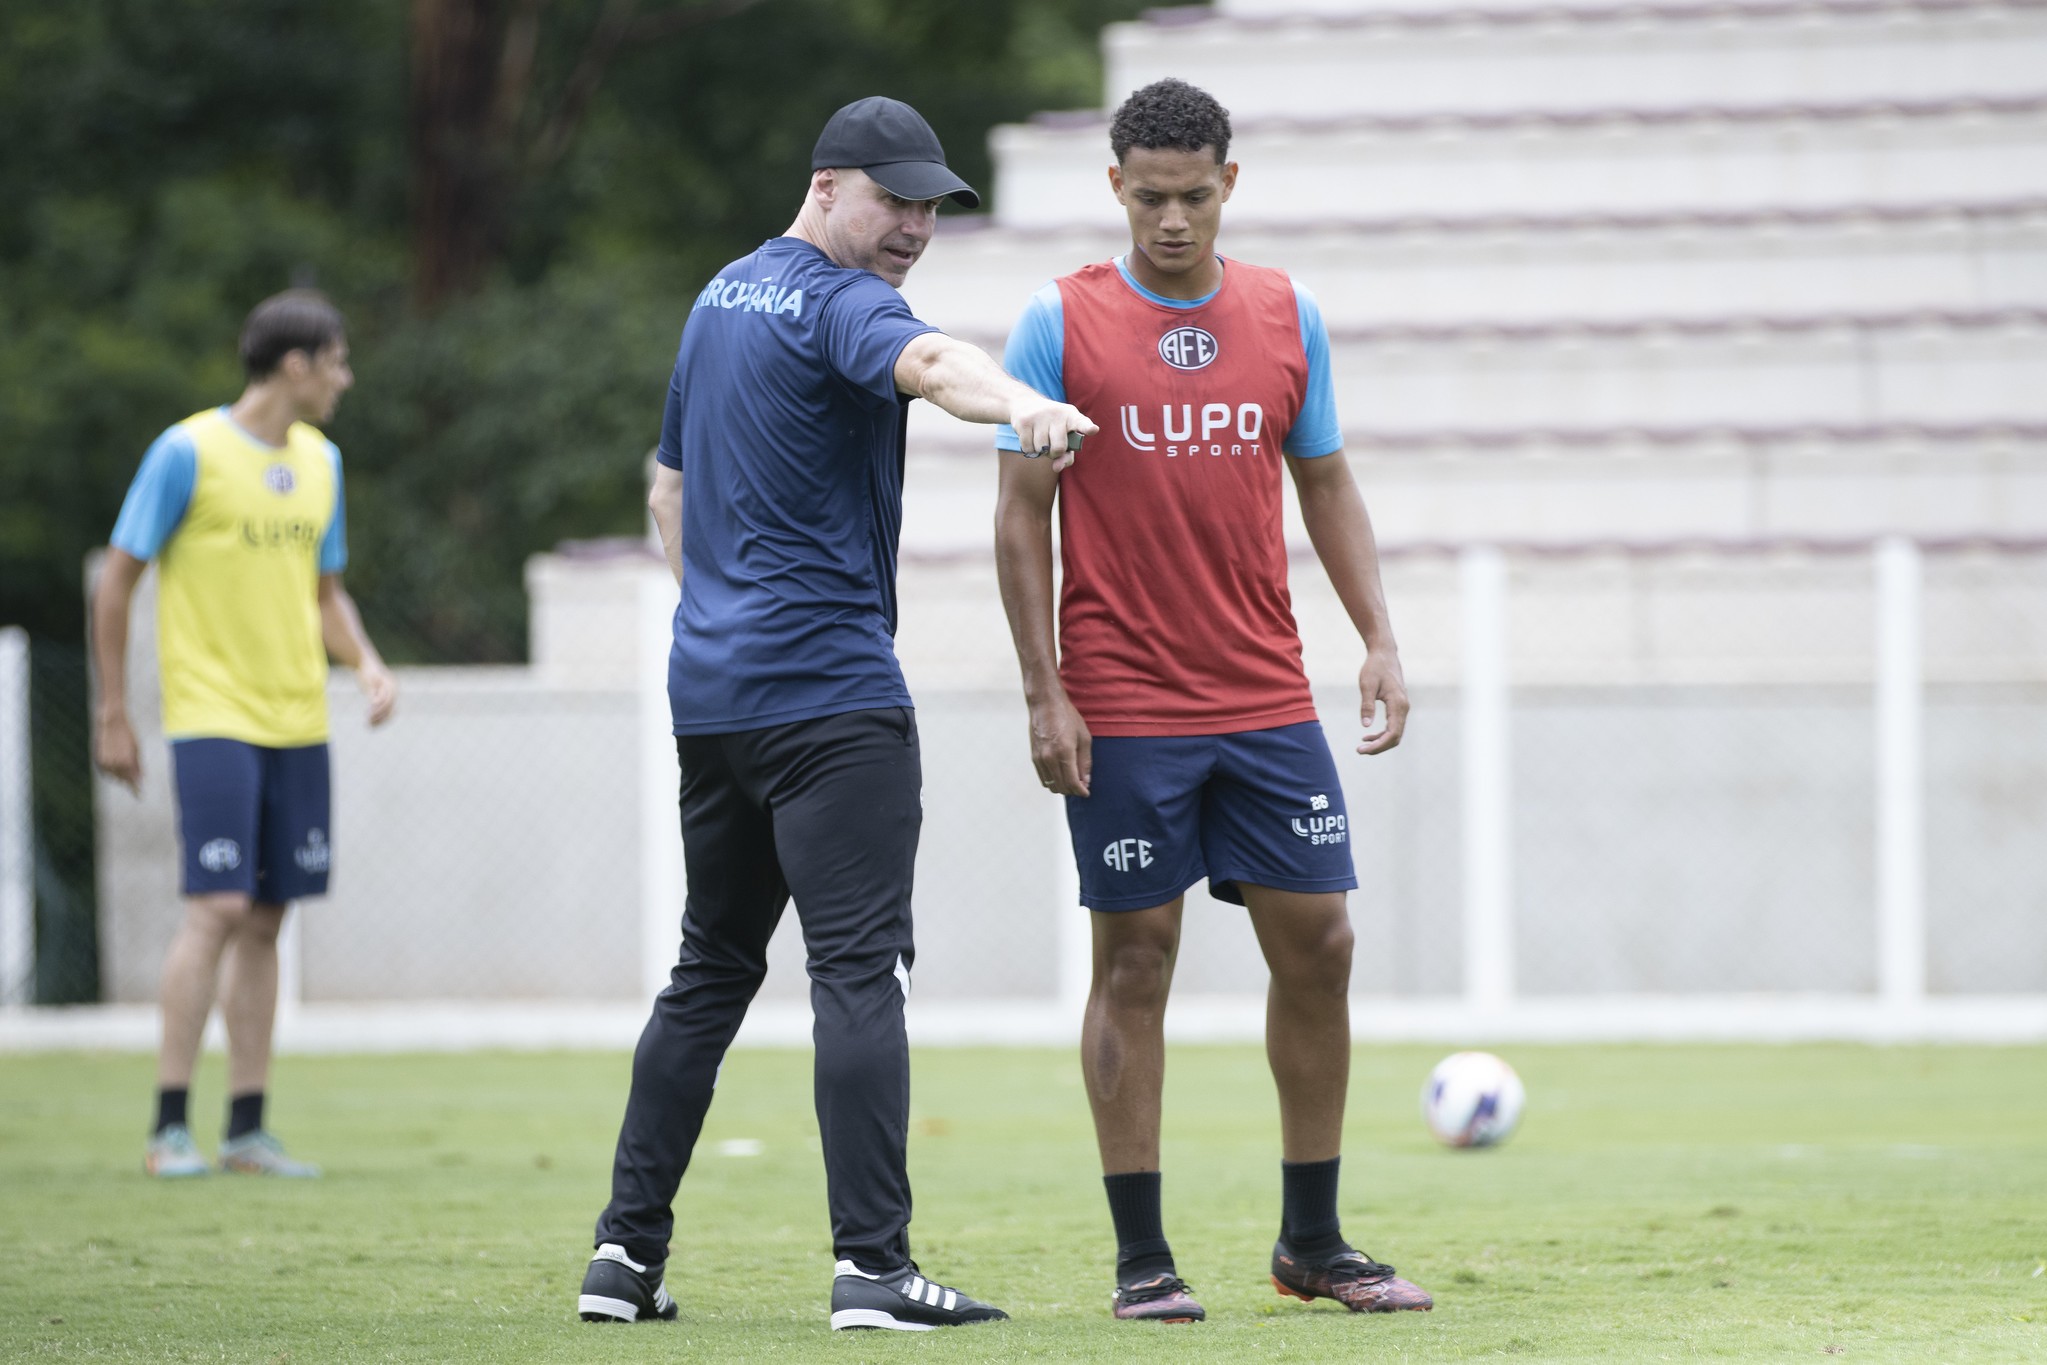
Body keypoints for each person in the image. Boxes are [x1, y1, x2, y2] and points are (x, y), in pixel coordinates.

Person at [576, 96, 1095, 1333]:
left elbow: (666, 485)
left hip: (714, 700)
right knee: (860, 975)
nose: (915, 223)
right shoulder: (847, 302)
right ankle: (873, 1267)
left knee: (707, 973)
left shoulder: (717, 299)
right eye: (894, 197)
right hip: (831, 702)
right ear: (826, 187)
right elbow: (930, 363)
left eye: (930, 203)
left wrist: (715, 610)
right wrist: (1020, 402)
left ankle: (621, 1260)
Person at [991, 78, 1432, 1323]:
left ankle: (1313, 1243)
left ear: (1228, 185)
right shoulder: (1059, 322)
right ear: (1115, 187)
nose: (1171, 220)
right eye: (1149, 198)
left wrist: (1379, 638)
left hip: (1262, 693)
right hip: (1123, 698)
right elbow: (1020, 520)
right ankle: (1143, 1260)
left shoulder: (1286, 314)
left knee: (1324, 945)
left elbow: (1328, 482)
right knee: (1137, 959)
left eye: (1193, 197)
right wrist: (1045, 692)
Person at [92, 288, 397, 1180]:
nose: (345, 377)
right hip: (211, 713)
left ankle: (247, 1129)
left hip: (296, 718)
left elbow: (324, 591)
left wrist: (367, 663)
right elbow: (117, 582)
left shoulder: (324, 464)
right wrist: (113, 710)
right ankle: (168, 1126)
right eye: (336, 360)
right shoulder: (186, 452)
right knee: (217, 906)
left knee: (268, 915)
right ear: (295, 364)